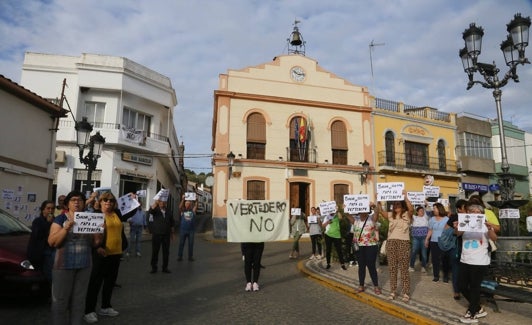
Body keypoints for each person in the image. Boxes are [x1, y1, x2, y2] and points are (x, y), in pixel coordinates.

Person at [48, 190, 103, 325]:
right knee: (60, 300)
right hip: (63, 265)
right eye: (73, 200)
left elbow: (96, 243)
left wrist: (100, 231)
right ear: (68, 203)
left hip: (84, 265)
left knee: (79, 300)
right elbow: (52, 242)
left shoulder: (89, 219)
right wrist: (65, 229)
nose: (77, 202)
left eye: (80, 200)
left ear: (84, 203)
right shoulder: (60, 219)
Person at [84, 192, 125, 323]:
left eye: (111, 200)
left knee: (110, 282)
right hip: (101, 254)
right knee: (95, 283)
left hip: (116, 254)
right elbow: (90, 235)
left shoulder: (116, 213)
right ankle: (89, 310)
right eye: (105, 200)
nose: (108, 202)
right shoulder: (96, 215)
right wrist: (96, 247)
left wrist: (133, 199)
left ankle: (106, 306)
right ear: (100, 201)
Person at [457, 203, 497, 323]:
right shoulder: (465, 223)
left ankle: (472, 313)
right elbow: (458, 234)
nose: (474, 213)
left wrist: (489, 228)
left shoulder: (485, 224)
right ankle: (478, 308)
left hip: (479, 261)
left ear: (481, 213)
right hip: (465, 259)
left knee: (474, 287)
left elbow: (494, 238)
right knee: (462, 286)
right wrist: (457, 226)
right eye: (471, 211)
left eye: (477, 211)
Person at [376, 191, 413, 302]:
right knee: (392, 268)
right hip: (391, 243)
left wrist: (406, 197)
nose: (396, 206)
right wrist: (378, 200)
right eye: (395, 204)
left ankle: (406, 292)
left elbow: (411, 209)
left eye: (398, 204)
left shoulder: (407, 214)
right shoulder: (391, 215)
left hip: (403, 243)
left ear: (402, 205)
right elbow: (381, 212)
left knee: (404, 269)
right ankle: (393, 291)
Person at [353, 203, 381, 295]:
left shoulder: (371, 218)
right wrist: (345, 208)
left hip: (371, 246)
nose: (363, 212)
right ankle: (361, 285)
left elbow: (377, 213)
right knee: (361, 266)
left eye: (365, 209)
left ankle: (376, 286)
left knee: (371, 266)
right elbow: (346, 215)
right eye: (361, 210)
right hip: (359, 247)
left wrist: (374, 206)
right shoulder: (355, 220)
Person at [27, 200, 55, 284]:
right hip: (40, 252)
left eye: (52, 208)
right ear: (43, 210)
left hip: (50, 250)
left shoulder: (56, 221)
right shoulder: (37, 221)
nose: (50, 211)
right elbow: (37, 235)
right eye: (48, 208)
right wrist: (48, 223)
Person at [447, 199, 467, 300]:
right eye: (464, 208)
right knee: (456, 269)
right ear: (459, 209)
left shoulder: (471, 217)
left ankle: (465, 289)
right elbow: (447, 230)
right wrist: (455, 228)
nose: (467, 210)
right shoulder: (454, 217)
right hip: (457, 247)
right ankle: (456, 291)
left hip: (469, 248)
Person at [148, 199, 175, 273]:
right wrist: (155, 203)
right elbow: (150, 211)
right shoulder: (155, 210)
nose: (162, 203)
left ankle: (165, 267)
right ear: (158, 203)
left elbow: (172, 223)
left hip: (166, 235)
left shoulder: (169, 211)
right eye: (160, 202)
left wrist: (172, 233)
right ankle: (154, 267)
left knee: (166, 252)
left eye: (164, 202)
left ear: (166, 203)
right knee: (155, 251)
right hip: (157, 234)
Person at [425, 202, 450, 282]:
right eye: (433, 208)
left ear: (439, 209)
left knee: (444, 260)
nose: (433, 210)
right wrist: (427, 239)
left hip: (443, 242)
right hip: (434, 242)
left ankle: (445, 276)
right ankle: (436, 276)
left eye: (435, 208)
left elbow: (449, 230)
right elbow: (430, 230)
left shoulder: (446, 219)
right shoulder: (432, 219)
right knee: (435, 259)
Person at [178, 194, 197, 261]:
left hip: (191, 231)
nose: (187, 205)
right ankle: (180, 256)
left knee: (191, 244)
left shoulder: (193, 211)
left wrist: (196, 200)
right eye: (186, 204)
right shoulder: (183, 211)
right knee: (181, 244)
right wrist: (183, 199)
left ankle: (190, 257)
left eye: (189, 204)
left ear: (190, 205)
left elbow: (195, 206)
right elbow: (179, 207)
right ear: (185, 204)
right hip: (183, 230)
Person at [409, 206, 429, 273]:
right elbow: (410, 212)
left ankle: (423, 267)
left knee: (424, 253)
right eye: (420, 211)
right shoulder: (414, 217)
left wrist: (425, 202)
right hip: (415, 238)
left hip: (424, 238)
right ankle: (411, 266)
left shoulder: (425, 217)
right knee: (414, 252)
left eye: (423, 211)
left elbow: (427, 208)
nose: (422, 212)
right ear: (417, 212)